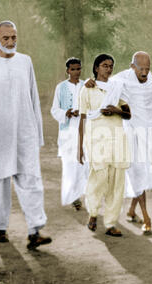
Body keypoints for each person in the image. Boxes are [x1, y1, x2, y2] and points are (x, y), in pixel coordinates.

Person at [0, 21, 52, 249]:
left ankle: (35, 231)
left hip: (24, 130)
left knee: (31, 179)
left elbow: (33, 96)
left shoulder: (25, 61)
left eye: (14, 37)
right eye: (5, 38)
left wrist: (38, 133)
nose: (10, 42)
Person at [85, 51, 152, 234]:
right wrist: (89, 82)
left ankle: (130, 210)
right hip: (127, 131)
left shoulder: (151, 80)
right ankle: (146, 216)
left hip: (145, 131)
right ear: (132, 66)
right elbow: (104, 84)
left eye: (147, 68)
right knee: (136, 172)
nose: (145, 72)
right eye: (141, 68)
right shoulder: (120, 80)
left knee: (142, 170)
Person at [78, 54, 132, 237]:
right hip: (96, 140)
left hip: (117, 138)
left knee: (117, 183)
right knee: (98, 179)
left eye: (110, 66)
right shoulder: (87, 89)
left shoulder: (117, 88)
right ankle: (93, 213)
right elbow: (82, 118)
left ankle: (110, 223)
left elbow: (128, 114)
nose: (108, 69)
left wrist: (115, 110)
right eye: (104, 65)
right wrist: (79, 147)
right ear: (95, 68)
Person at [51, 58, 89, 211]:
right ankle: (73, 197)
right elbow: (54, 109)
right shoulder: (61, 87)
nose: (76, 72)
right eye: (73, 69)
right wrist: (67, 112)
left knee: (83, 164)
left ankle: (82, 193)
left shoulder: (85, 86)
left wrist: (82, 112)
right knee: (69, 164)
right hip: (67, 130)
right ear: (67, 71)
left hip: (84, 128)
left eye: (78, 69)